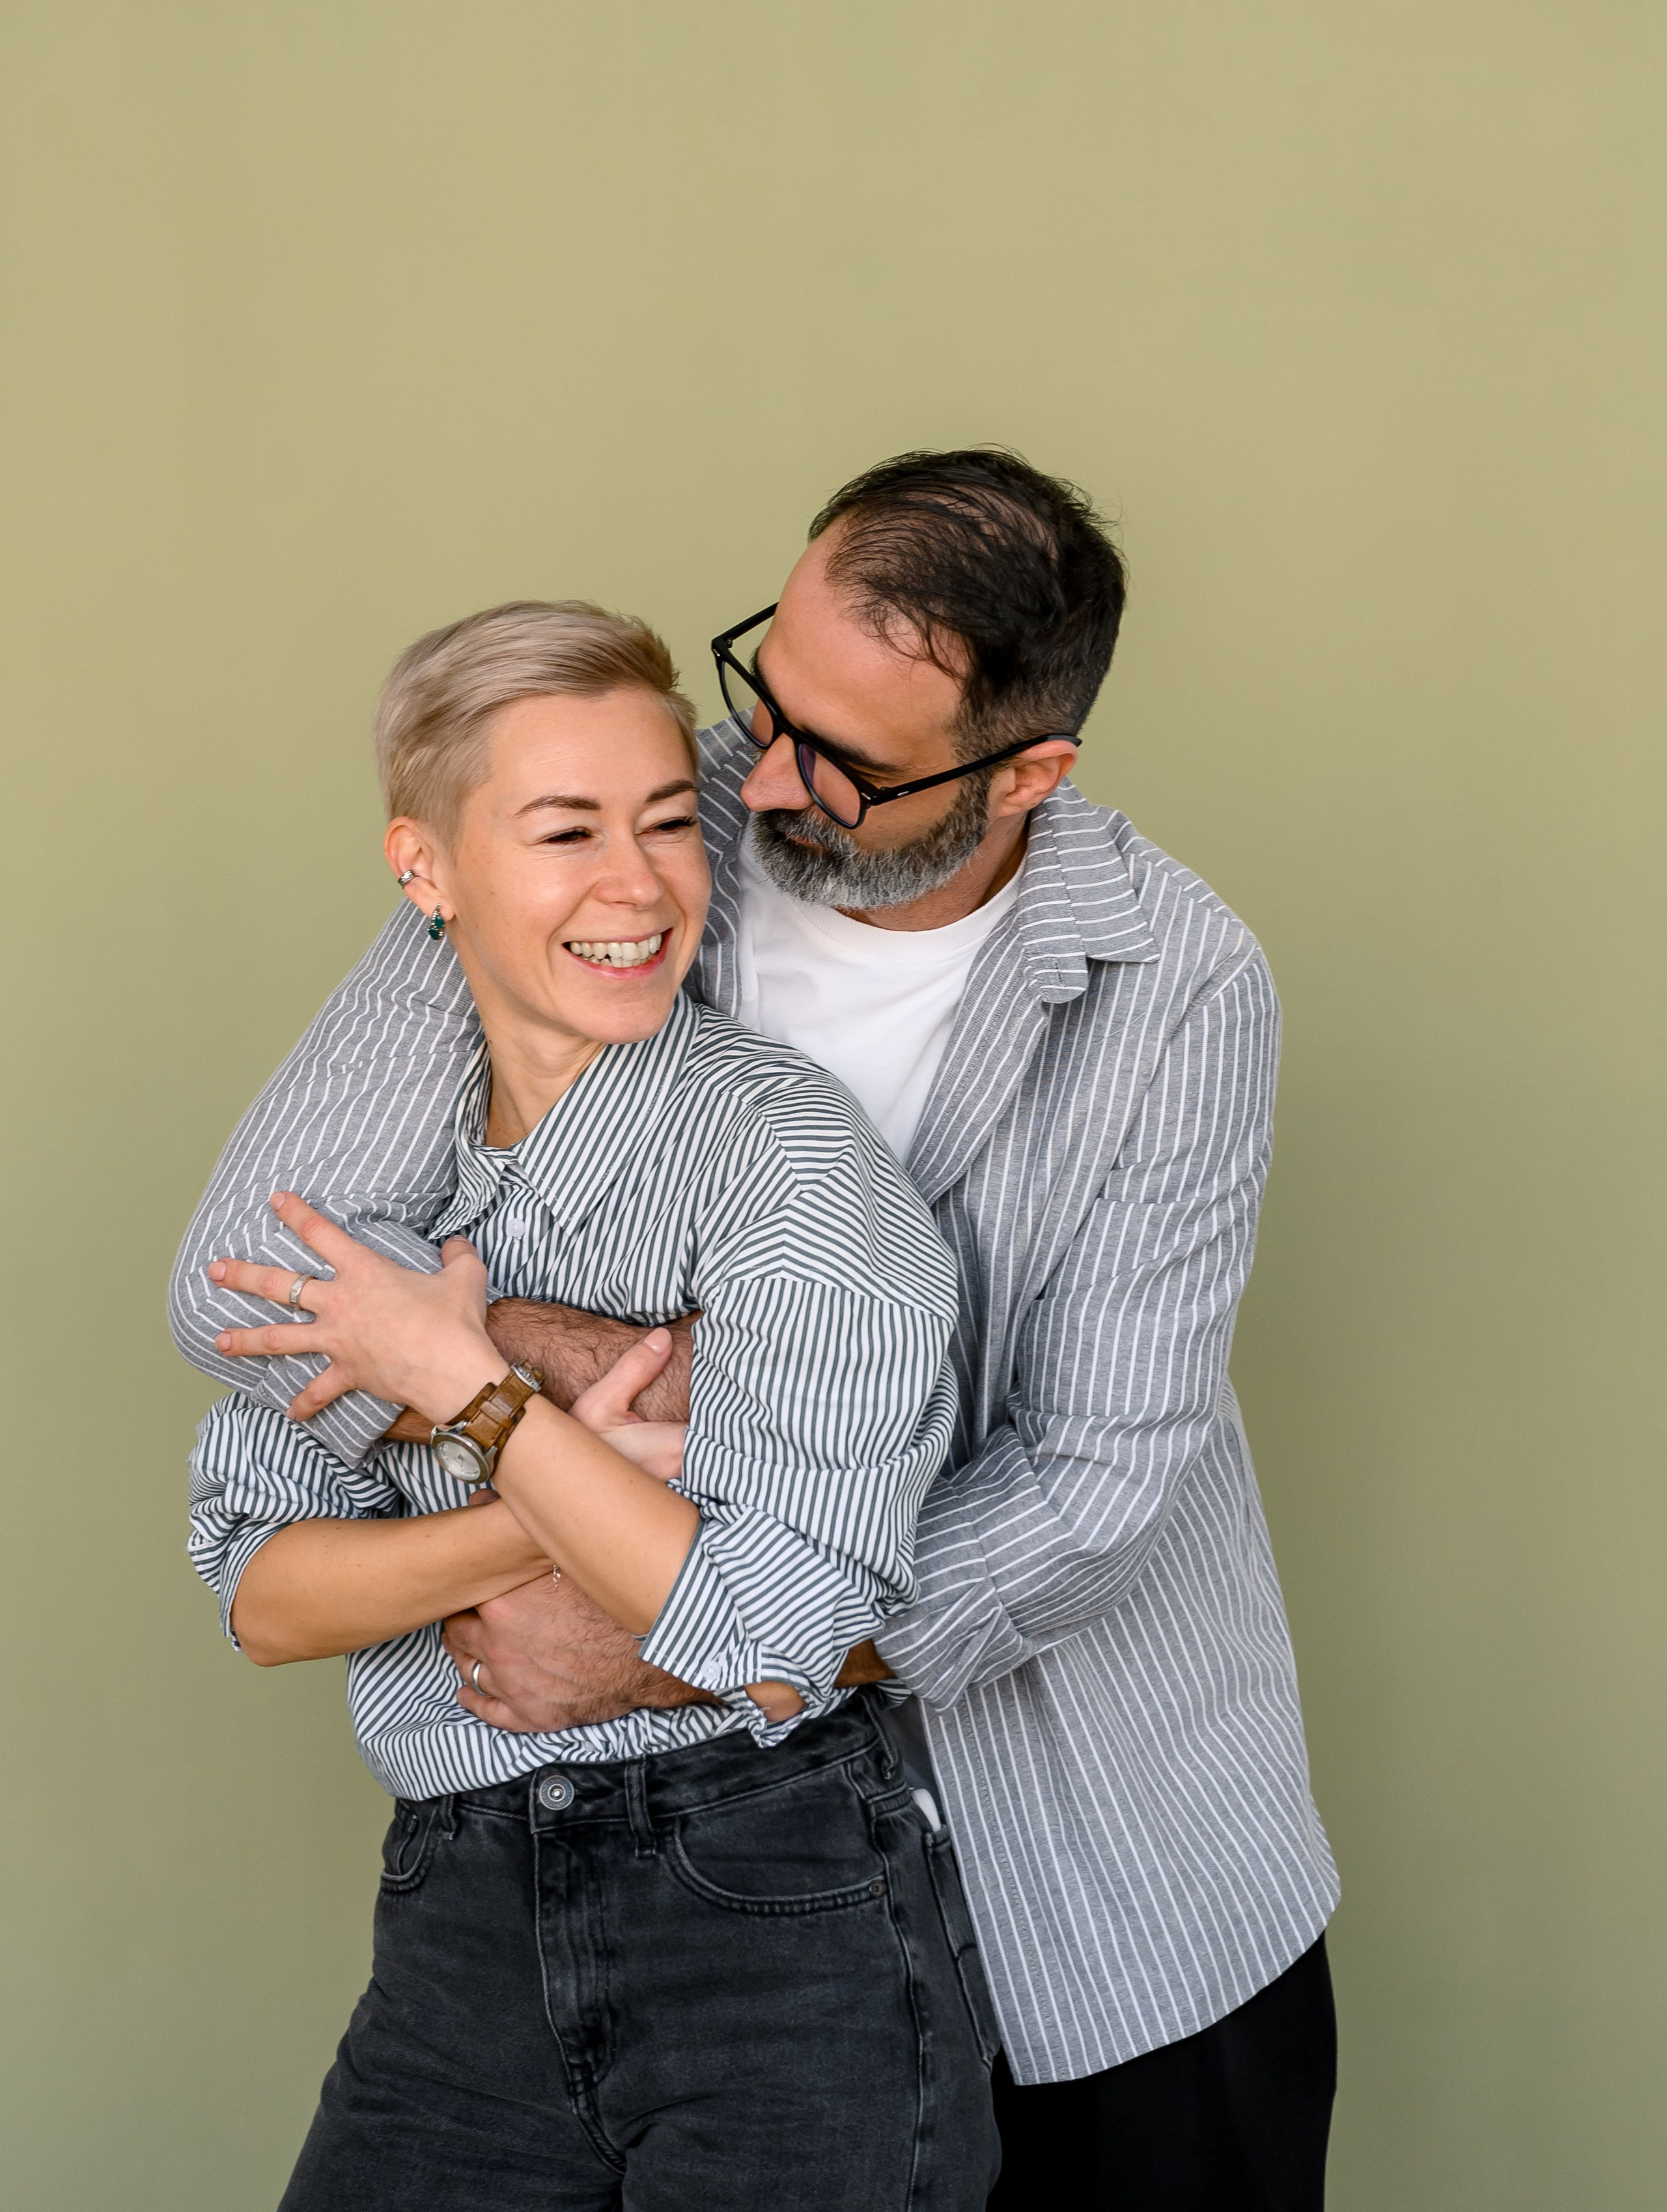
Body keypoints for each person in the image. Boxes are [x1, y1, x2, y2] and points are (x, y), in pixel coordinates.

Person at [173, 449, 1341, 2209]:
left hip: (1097, 1856)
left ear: (1029, 769)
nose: (761, 774)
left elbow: (1098, 1480)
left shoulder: (1178, 986)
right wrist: (562, 1404)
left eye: (848, 761)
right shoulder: (623, 822)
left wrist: (674, 1629)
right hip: (662, 1877)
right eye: (764, 691)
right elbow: (254, 1278)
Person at [181, 601, 1001, 2211]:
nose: (636, 886)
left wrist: (468, 1388)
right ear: (425, 870)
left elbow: (770, 1627)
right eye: (564, 831)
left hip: (776, 1909)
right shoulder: (373, 1192)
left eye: (660, 825)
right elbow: (259, 1589)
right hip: (457, 1910)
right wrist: (547, 1501)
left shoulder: (787, 1161)